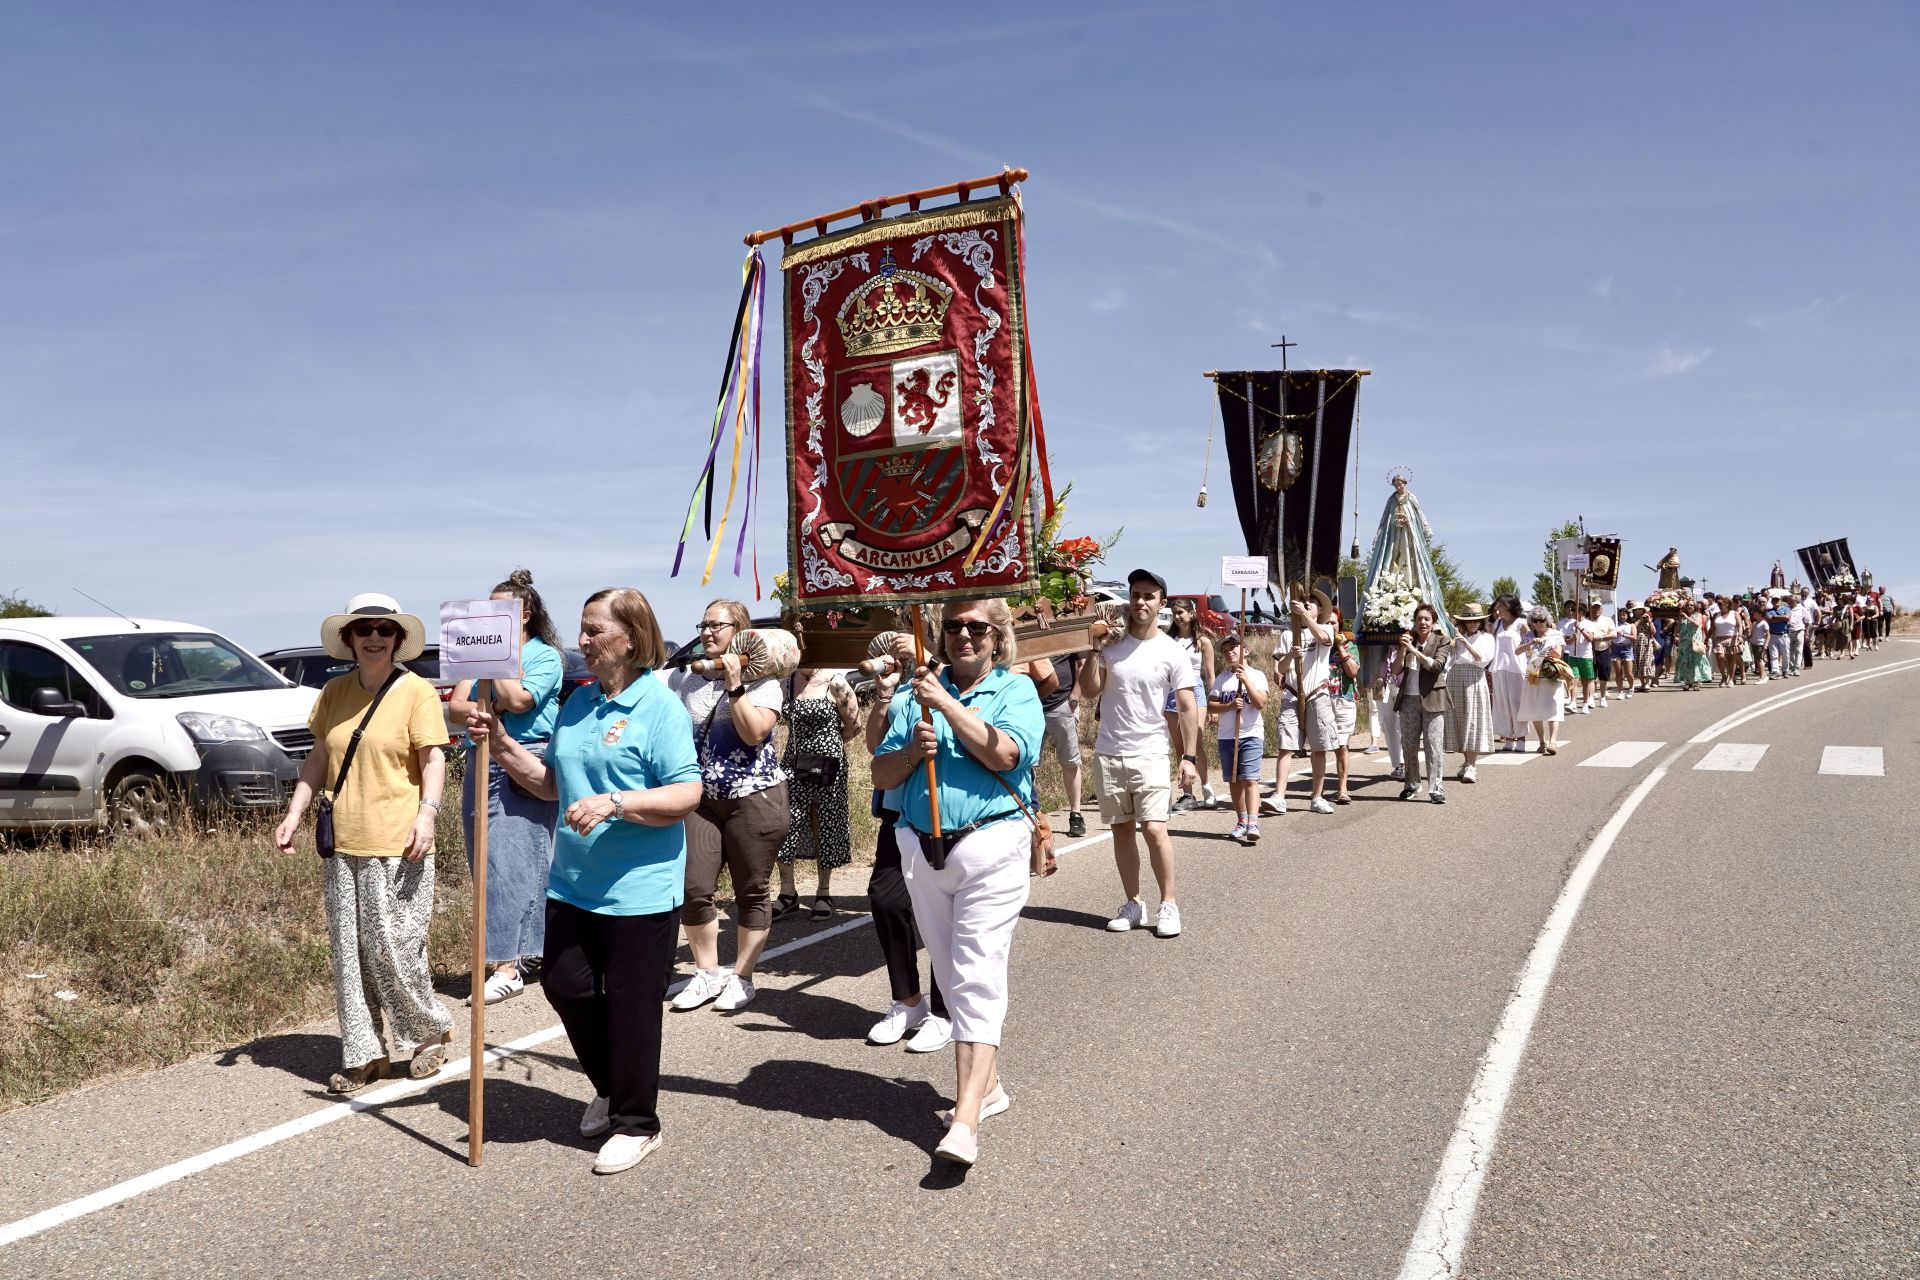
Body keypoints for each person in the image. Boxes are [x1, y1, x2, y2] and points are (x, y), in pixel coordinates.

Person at [470, 587, 701, 1175]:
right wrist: (498, 743)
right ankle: (611, 1085)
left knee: (630, 1006)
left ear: (632, 637)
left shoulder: (660, 706)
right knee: (566, 986)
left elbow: (686, 792)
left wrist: (617, 803)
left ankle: (637, 1123)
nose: (584, 641)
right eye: (583, 629)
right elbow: (551, 782)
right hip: (573, 882)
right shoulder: (579, 702)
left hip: (640, 890)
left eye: (596, 630)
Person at [872, 597, 1043, 1168]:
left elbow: (1006, 753)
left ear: (996, 638)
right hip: (920, 844)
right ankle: (989, 1087)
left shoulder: (1014, 691)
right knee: (947, 969)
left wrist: (944, 704)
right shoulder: (911, 693)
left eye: (977, 627)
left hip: (991, 841)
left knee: (975, 973)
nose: (963, 635)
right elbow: (880, 769)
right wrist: (908, 756)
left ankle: (965, 1117)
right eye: (953, 627)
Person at [273, 593, 454, 1094]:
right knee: (350, 954)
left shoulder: (415, 691)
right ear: (349, 639)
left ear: (397, 639)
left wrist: (428, 815)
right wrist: (294, 813)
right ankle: (365, 1052)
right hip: (344, 843)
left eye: (384, 629)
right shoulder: (333, 692)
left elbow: (433, 759)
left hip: (401, 841)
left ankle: (429, 1031)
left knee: (394, 946)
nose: (374, 637)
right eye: (364, 629)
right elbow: (318, 758)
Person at [665, 599, 790, 1013]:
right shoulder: (693, 682)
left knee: (751, 890)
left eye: (716, 625)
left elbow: (754, 733)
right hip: (702, 799)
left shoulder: (767, 683)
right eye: (702, 625)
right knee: (693, 888)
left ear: (740, 630)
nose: (706, 632)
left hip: (754, 798)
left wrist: (736, 684)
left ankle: (742, 977)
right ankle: (706, 973)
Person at [447, 569, 565, 1006]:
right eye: (487, 606)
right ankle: (525, 951)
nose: (489, 615)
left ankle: (506, 966)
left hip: (524, 754)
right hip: (481, 756)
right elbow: (457, 706)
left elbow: (519, 701)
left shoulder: (544, 656)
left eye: (501, 608)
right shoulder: (477, 653)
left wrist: (494, 669)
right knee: (485, 858)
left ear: (525, 613)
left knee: (518, 859)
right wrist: (482, 695)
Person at [1076, 568, 1201, 938]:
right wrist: (1094, 649)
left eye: (1149, 596)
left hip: (1151, 751)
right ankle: (1134, 903)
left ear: (1161, 602)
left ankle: (1169, 904)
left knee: (1155, 829)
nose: (1140, 602)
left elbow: (1188, 706)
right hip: (1110, 751)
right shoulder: (1111, 646)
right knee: (1121, 830)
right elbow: (1089, 689)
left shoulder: (1172, 651)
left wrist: (1189, 757)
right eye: (1135, 595)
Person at [863, 629, 950, 1053]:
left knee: (942, 910)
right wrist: (884, 695)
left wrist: (929, 657)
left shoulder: (948, 670)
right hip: (899, 808)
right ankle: (907, 1000)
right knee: (886, 898)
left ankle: (944, 1009)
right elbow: (874, 745)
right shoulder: (904, 681)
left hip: (945, 808)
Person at [773, 666, 860, 920]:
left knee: (824, 823)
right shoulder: (787, 683)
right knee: (785, 823)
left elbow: (854, 725)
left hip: (828, 763)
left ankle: (823, 892)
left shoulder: (835, 682)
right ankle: (787, 892)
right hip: (793, 761)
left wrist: (828, 743)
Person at [1274, 590, 1341, 814]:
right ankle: (1279, 796)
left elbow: (1323, 639)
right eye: (1304, 603)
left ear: (1320, 609)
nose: (1308, 605)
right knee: (1286, 746)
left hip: (1317, 693)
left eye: (1312, 603)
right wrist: (1290, 657)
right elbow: (1281, 671)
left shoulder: (1326, 628)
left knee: (1319, 748)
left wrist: (1306, 617)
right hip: (1292, 694)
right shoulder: (1287, 635)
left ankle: (1317, 797)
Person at [1207, 632, 1269, 842]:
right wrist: (1230, 705)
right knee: (1233, 780)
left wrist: (1246, 681)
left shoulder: (1257, 675)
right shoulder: (1222, 679)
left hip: (1250, 734)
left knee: (1250, 779)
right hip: (1226, 736)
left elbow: (1260, 703)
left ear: (1246, 651)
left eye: (1233, 648)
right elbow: (1211, 705)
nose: (1229, 653)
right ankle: (1241, 820)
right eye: (1225, 651)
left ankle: (1253, 822)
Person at [1025, 651, 1087, 838]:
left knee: (1070, 762)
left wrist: (1075, 695)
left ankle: (1076, 814)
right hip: (1030, 706)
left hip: (1061, 705)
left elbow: (1084, 664)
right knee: (1028, 764)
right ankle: (1032, 816)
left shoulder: (1063, 625)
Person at [1165, 598, 1219, 812]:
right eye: (1174, 613)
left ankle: (1207, 788)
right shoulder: (1168, 640)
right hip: (1172, 691)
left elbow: (1210, 674)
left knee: (1195, 744)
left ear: (1191, 613)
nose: (1177, 617)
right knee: (1179, 745)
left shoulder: (1203, 641)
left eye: (1181, 612)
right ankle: (1188, 794)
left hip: (1195, 689)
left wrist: (1214, 704)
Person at [1394, 603, 1451, 801]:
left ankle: (1436, 789)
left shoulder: (1442, 641)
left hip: (1433, 698)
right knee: (1409, 744)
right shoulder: (1408, 640)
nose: (1422, 622)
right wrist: (1403, 649)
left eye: (1427, 619)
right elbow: (1395, 671)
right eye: (1419, 619)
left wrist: (1415, 651)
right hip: (1408, 699)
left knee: (1433, 744)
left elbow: (1436, 666)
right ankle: (1411, 785)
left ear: (1433, 622)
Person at [1445, 603, 1494, 783]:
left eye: (1476, 621)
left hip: (1474, 676)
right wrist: (1453, 640)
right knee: (1460, 720)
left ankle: (1472, 765)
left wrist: (1464, 642)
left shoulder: (1487, 638)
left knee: (1474, 719)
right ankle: (1466, 762)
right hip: (1456, 676)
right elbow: (1450, 658)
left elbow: (1481, 658)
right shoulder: (1457, 637)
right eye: (1469, 621)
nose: (1473, 624)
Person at [1517, 606, 1568, 754]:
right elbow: (1518, 651)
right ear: (1531, 621)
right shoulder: (1528, 636)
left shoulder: (1556, 634)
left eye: (1542, 620)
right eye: (1535, 620)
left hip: (1550, 672)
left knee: (1554, 706)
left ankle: (1553, 741)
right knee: (1535, 709)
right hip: (1533, 671)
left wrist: (1549, 648)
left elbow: (1559, 654)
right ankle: (1542, 741)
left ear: (1547, 620)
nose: (1539, 623)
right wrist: (1531, 643)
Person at [1326, 609, 1361, 805]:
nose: (1331, 627)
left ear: (1340, 625)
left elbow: (1353, 671)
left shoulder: (1350, 645)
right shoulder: (1318, 646)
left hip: (1343, 698)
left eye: (1334, 623)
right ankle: (1317, 791)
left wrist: (1340, 648)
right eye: (1328, 623)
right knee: (1320, 747)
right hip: (1322, 699)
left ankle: (1342, 789)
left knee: (1341, 745)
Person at [1489, 596, 1530, 752]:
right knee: (1502, 703)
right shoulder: (1497, 624)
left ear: (1509, 606)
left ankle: (1521, 738)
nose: (1497, 609)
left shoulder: (1521, 624)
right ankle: (1507, 737)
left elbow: (1531, 645)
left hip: (1516, 667)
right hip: (1499, 668)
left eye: (1500, 606)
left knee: (1516, 703)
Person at [1560, 599, 1596, 713]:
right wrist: (1572, 639)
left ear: (1581, 612)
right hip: (1572, 655)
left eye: (1574, 610)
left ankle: (1585, 703)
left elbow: (1590, 639)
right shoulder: (1570, 624)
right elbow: (1566, 641)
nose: (1572, 612)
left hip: (1585, 656)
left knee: (1585, 681)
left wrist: (1581, 629)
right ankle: (1573, 703)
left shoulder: (1590, 624)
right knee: (1573, 679)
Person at [1579, 601, 1615, 709]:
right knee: (1591, 676)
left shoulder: (1607, 620)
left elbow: (1614, 634)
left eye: (1598, 608)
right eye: (1594, 608)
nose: (1596, 610)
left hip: (1603, 650)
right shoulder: (1586, 621)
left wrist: (1599, 638)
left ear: (1601, 609)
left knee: (1603, 676)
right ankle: (1590, 698)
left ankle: (1603, 697)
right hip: (1589, 651)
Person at [1673, 601, 1712, 691]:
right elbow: (1676, 631)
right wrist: (1679, 620)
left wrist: (1687, 617)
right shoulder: (1682, 616)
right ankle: (1688, 682)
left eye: (1691, 605)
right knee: (1685, 661)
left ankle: (1696, 681)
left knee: (1695, 662)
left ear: (1695, 607)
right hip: (1684, 642)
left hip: (1695, 641)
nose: (1690, 606)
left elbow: (1696, 624)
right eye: (1688, 605)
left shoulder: (1698, 615)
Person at [1630, 601, 1661, 694]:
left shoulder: (1648, 618)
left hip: (1647, 643)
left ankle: (1647, 683)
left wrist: (1649, 621)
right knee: (1637, 663)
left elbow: (1653, 632)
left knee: (1647, 662)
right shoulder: (1632, 620)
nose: (1638, 611)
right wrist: (1639, 621)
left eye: (1640, 609)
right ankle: (1642, 683)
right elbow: (1632, 628)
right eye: (1636, 610)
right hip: (1636, 643)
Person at [1609, 606, 1637, 699]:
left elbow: (1634, 637)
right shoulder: (1615, 625)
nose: (1622, 617)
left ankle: (1631, 687)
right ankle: (1620, 691)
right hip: (1616, 648)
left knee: (1628, 672)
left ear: (1627, 615)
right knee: (1618, 672)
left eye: (1624, 615)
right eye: (1620, 615)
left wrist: (1624, 635)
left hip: (1627, 648)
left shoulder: (1631, 625)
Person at [1765, 592, 1794, 678]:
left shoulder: (1786, 609)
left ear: (1780, 600)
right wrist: (1782, 618)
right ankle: (1775, 671)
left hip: (1784, 634)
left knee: (1785, 654)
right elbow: (1769, 619)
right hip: (1773, 635)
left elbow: (1787, 617)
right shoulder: (1769, 611)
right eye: (1774, 600)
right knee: (1773, 654)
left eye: (1777, 599)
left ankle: (1785, 670)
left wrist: (1774, 618)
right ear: (1772, 601)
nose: (1776, 601)